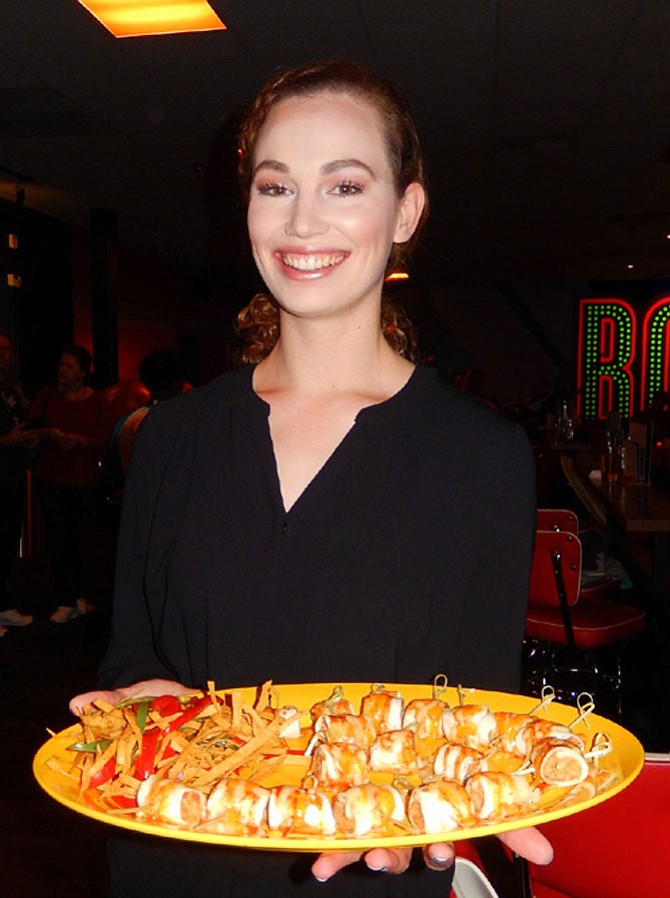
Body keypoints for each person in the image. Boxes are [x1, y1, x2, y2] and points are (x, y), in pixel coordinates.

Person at [70, 61, 551, 897]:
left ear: (406, 209)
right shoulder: (171, 438)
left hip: (369, 870)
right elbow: (133, 656)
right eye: (275, 185)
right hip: (173, 861)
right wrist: (138, 706)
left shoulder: (485, 457)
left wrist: (443, 804)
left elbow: (475, 713)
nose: (302, 221)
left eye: (345, 184)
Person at [27, 344, 113, 623]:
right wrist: (48, 434)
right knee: (57, 537)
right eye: (61, 364)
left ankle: (76, 595)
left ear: (82, 372)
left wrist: (79, 442)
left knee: (77, 538)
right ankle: (64, 597)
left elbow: (105, 438)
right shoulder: (47, 394)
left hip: (82, 478)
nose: (62, 370)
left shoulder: (97, 400)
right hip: (50, 476)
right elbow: (30, 427)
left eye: (69, 366)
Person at [0, 331, 37, 635]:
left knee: (8, 541)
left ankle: (3, 605)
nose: (5, 355)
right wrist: (6, 440)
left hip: (11, 475)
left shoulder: (11, 389)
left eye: (9, 350)